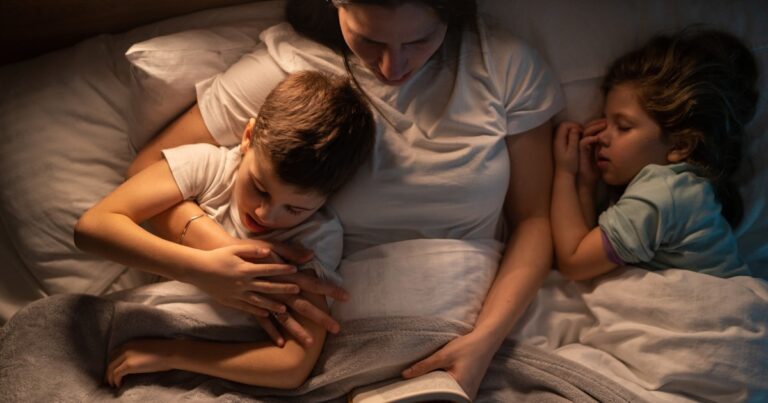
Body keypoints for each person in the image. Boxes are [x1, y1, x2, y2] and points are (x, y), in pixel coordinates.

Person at [126, 0, 564, 397]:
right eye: (370, 40)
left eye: (420, 40)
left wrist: (483, 344)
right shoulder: (291, 71)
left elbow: (533, 221)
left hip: (471, 330)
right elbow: (147, 171)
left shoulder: (503, 65)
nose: (394, 66)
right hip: (321, 338)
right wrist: (218, 254)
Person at [74, 70, 376, 388]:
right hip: (148, 322)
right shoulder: (209, 168)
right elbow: (92, 227)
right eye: (260, 187)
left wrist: (172, 354)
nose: (265, 214)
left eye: (294, 209)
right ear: (248, 138)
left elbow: (293, 365)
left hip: (215, 361)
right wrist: (202, 270)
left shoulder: (312, 238)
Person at [551, 29, 758, 281]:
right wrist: (586, 183)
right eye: (604, 120)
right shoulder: (679, 187)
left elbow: (575, 262)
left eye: (623, 126)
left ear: (680, 145)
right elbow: (584, 244)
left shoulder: (663, 192)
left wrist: (563, 173)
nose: (603, 136)